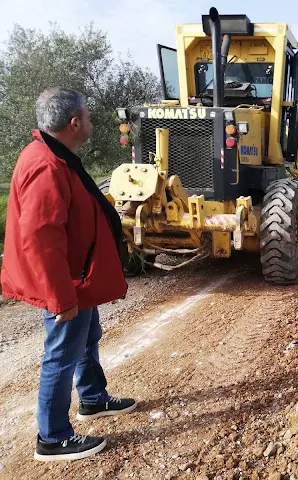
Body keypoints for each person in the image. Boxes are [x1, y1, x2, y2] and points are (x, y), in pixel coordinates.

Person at [1, 87, 136, 461]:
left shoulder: (55, 155)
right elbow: (41, 240)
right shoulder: (47, 165)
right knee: (61, 354)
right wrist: (61, 297)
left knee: (87, 336)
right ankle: (52, 436)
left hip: (80, 275)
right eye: (89, 117)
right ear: (74, 123)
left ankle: (92, 398)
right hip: (67, 281)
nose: (91, 123)